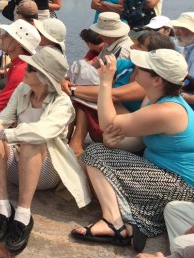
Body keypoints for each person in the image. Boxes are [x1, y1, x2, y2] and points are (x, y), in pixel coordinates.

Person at [71, 49, 194, 253]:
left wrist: (105, 82)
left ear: (157, 80)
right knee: (100, 155)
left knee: (94, 154)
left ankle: (113, 222)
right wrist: (112, 141)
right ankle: (135, 222)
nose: (137, 68)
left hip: (180, 186)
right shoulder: (156, 100)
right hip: (168, 177)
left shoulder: (168, 111)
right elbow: (133, 137)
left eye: (143, 67)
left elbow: (108, 124)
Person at [0, 47, 91, 254]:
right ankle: (3, 209)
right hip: (19, 165)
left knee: (31, 140)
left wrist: (3, 133)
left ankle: (23, 215)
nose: (25, 70)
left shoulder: (63, 103)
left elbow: (41, 132)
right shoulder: (22, 89)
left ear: (45, 78)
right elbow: (4, 118)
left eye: (31, 68)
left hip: (48, 172)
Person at [65, 30, 175, 156]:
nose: (132, 46)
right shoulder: (126, 65)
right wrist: (67, 82)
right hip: (113, 123)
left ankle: (75, 144)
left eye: (139, 46)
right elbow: (91, 77)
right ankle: (68, 140)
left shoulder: (150, 80)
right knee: (87, 94)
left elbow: (113, 95)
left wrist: (71, 89)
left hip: (131, 133)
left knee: (93, 96)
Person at [0, 20, 40, 117]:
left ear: (18, 43)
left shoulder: (21, 69)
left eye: (7, 35)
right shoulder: (18, 64)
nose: (1, 37)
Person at [172, 12, 194, 106]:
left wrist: (174, 94)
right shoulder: (188, 46)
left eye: (183, 29)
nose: (177, 32)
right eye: (176, 28)